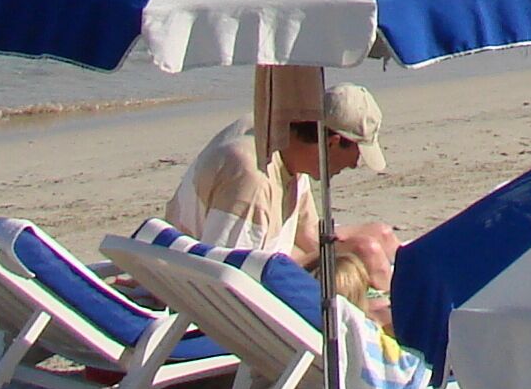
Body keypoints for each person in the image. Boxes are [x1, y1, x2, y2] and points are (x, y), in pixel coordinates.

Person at [166, 80, 399, 288]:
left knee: (382, 235)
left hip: (270, 258)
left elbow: (307, 234)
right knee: (366, 253)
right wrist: (354, 256)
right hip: (229, 281)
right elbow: (232, 275)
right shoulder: (253, 178)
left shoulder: (289, 147)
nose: (355, 164)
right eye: (358, 153)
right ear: (332, 143)